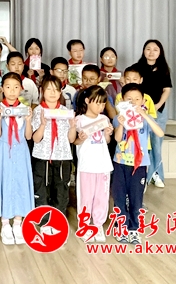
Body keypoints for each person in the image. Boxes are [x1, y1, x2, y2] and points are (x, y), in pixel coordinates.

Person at [112, 83, 164, 244]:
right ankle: (121, 227)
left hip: (139, 165)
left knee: (136, 197)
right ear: (122, 100)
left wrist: (145, 115)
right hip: (120, 163)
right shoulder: (118, 118)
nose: (133, 102)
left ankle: (134, 229)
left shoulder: (145, 119)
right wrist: (121, 124)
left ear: (143, 101)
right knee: (119, 196)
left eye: (137, 99)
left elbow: (159, 132)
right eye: (129, 99)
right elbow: (117, 138)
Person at [0, 72, 34, 245]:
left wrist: (29, 120)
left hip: (21, 149)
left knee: (20, 183)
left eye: (16, 87)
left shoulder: (25, 109)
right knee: (4, 183)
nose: (11, 91)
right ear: (2, 88)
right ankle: (5, 224)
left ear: (21, 89)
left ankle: (18, 223)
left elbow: (28, 136)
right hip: (3, 149)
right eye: (8, 87)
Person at [74, 86, 114, 243]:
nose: (100, 106)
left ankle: (98, 225)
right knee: (86, 196)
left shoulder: (104, 119)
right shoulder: (79, 120)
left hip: (103, 165)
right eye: (97, 103)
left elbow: (107, 141)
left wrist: (107, 134)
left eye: (103, 103)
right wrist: (81, 138)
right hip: (86, 165)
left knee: (101, 197)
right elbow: (75, 142)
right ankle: (84, 225)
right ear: (87, 101)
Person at [31, 76, 77, 215]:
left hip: (62, 157)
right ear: (42, 91)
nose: (52, 93)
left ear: (60, 92)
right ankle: (44, 219)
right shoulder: (37, 111)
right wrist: (43, 125)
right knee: (42, 188)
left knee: (61, 190)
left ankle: (58, 220)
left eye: (56, 89)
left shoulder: (65, 111)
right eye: (49, 89)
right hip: (42, 156)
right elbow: (36, 139)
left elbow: (71, 139)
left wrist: (73, 126)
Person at [137, 40, 172, 188]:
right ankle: (143, 175)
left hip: (159, 111)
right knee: (144, 143)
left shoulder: (164, 69)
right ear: (144, 51)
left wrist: (157, 105)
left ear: (160, 52)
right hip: (141, 111)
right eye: (148, 49)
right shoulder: (137, 68)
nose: (151, 52)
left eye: (155, 49)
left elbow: (167, 90)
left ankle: (156, 174)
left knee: (156, 143)